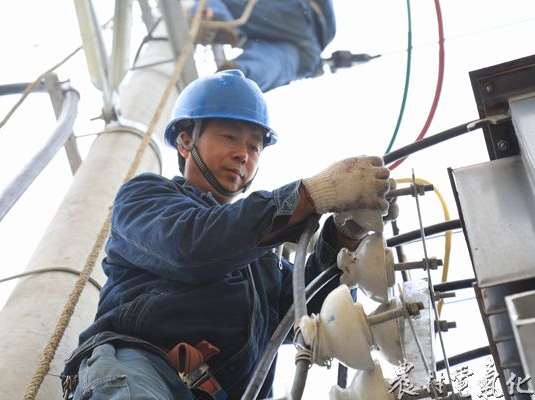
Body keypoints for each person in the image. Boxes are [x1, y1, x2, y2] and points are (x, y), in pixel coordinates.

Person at [61, 70, 391, 399]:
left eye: (254, 146)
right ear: (185, 140)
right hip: (143, 371)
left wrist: (345, 236)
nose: (243, 154)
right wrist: (308, 196)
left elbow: (312, 309)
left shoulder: (260, 259)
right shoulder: (144, 196)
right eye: (229, 137)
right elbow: (190, 248)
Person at [187, 0, 336, 92]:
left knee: (223, 3)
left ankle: (214, 18)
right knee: (276, 62)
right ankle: (239, 77)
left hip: (296, 12)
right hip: (310, 52)